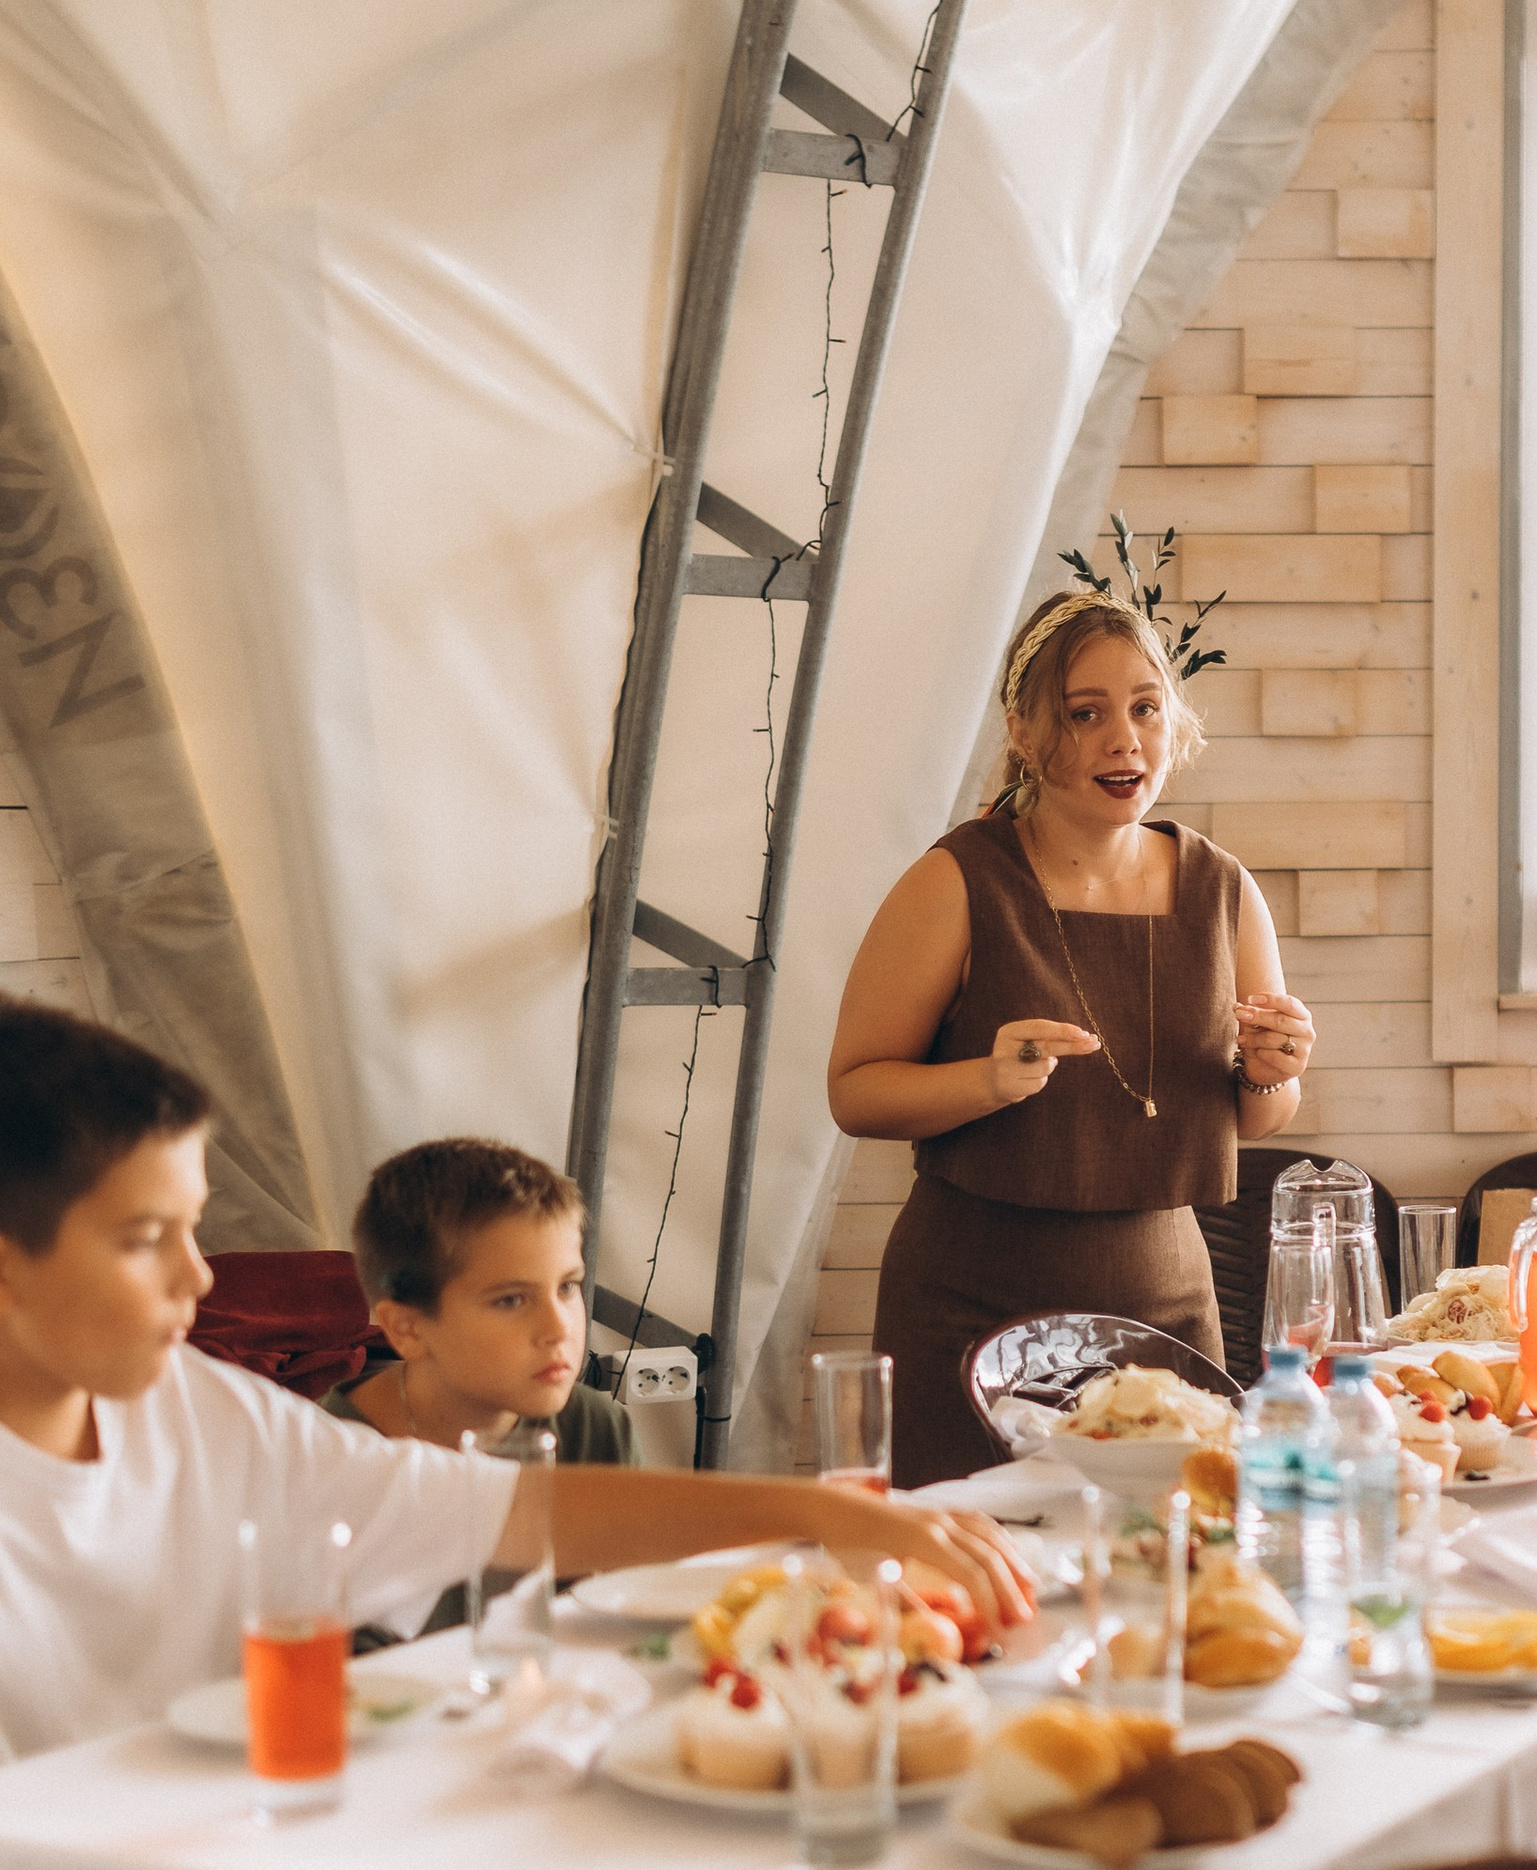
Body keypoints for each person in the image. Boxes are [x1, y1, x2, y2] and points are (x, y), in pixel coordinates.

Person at [0, 1001, 1029, 1762]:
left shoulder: (206, 1415)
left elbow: (516, 1504)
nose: (201, 1275)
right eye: (145, 1239)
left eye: (194, 1226)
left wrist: (819, 1510)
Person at [826, 585, 1317, 1485]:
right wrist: (987, 1080)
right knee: (979, 1600)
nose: (1121, 740)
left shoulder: (1225, 890)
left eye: (1144, 709)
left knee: (1170, 1581)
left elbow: (1259, 1117)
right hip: (967, 1315)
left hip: (1165, 1313)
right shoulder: (955, 882)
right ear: (1023, 731)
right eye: (1083, 714)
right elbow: (854, 1091)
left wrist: (1269, 1071)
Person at [322, 1135, 636, 1637]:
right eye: (511, 1300)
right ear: (407, 1329)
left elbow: (624, 1624)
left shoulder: (595, 1427)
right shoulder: (334, 1459)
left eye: (568, 1286)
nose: (560, 1328)